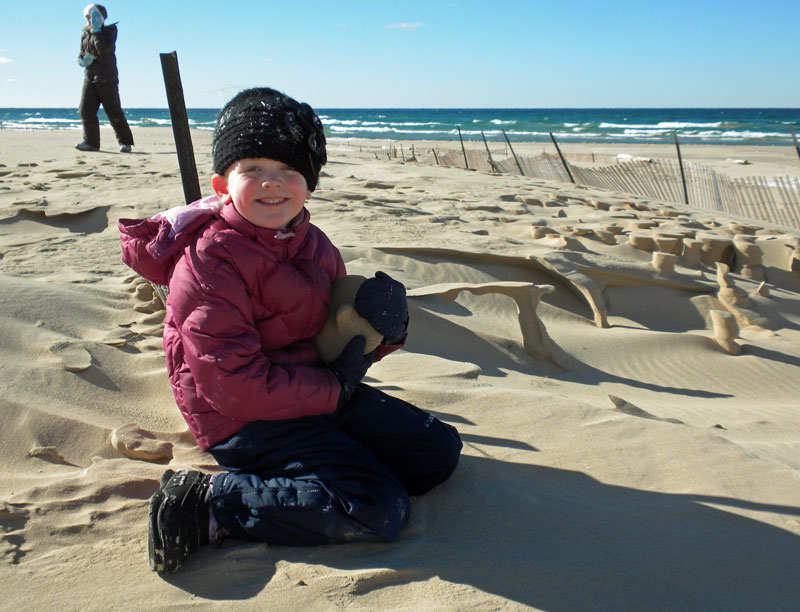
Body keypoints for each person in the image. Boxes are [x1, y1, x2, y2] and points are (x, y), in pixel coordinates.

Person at [118, 87, 462, 574]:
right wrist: (334, 387)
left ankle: (323, 475)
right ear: (222, 184)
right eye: (252, 169)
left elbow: (335, 338)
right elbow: (233, 387)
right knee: (377, 506)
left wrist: (387, 330)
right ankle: (208, 504)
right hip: (241, 419)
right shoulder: (210, 260)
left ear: (309, 183)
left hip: (317, 393)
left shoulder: (315, 244)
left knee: (436, 453)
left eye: (288, 171)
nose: (271, 184)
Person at [76, 4, 134, 153]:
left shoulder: (110, 31)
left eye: (91, 17)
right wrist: (82, 61)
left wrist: (97, 31)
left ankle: (125, 142)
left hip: (107, 77)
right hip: (90, 77)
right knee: (85, 110)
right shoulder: (85, 34)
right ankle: (91, 143)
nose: (88, 20)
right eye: (87, 17)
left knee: (113, 111)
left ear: (99, 17)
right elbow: (81, 53)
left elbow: (104, 50)